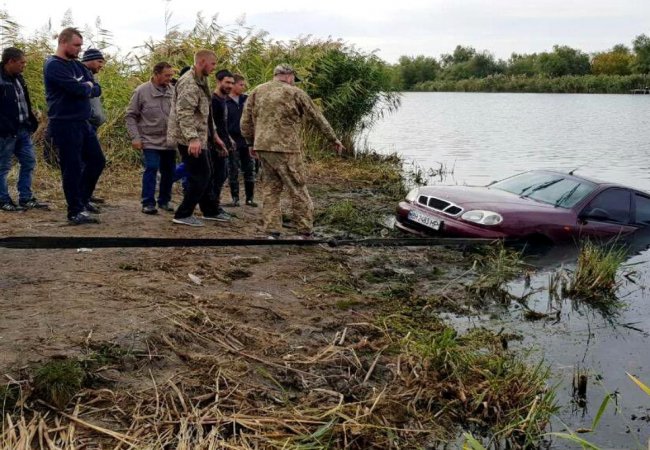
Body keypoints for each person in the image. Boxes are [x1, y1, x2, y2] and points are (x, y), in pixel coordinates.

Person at [241, 64, 344, 238]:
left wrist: (250, 143)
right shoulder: (295, 93)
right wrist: (333, 139)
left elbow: (245, 120)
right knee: (297, 188)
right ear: (289, 76)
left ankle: (272, 231)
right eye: (293, 79)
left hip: (263, 148)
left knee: (270, 190)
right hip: (287, 149)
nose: (294, 82)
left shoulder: (257, 91)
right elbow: (317, 117)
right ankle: (304, 230)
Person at [44, 27, 105, 225]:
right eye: (76, 45)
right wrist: (85, 87)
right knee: (72, 167)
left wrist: (86, 87)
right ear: (63, 42)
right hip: (64, 122)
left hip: (83, 122)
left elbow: (96, 89)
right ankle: (75, 211)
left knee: (97, 161)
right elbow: (77, 89)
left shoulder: (77, 66)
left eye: (80, 45)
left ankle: (83, 200)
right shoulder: (53, 65)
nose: (80, 49)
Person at [167, 49, 227, 227]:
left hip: (201, 135)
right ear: (202, 62)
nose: (214, 68)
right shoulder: (189, 83)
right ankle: (183, 214)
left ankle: (210, 210)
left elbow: (204, 112)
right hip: (188, 138)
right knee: (200, 175)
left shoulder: (201, 80)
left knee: (207, 172)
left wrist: (214, 135)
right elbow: (184, 113)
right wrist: (192, 139)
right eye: (213, 64)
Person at [0, 47, 49, 211]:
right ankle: (3, 200)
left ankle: (26, 198)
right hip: (6, 133)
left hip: (23, 130)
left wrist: (31, 122)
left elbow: (24, 102)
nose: (24, 65)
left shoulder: (19, 78)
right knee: (3, 166)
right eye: (22, 62)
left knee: (29, 161)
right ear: (10, 61)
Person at [125, 61, 176, 215]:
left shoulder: (173, 91)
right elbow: (130, 116)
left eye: (171, 75)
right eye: (167, 75)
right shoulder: (141, 91)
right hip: (149, 140)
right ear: (156, 74)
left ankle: (164, 201)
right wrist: (135, 138)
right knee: (152, 167)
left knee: (169, 171)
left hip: (169, 140)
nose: (170, 78)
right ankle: (148, 202)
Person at [80, 48, 107, 206]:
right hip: (84, 125)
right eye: (99, 61)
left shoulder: (91, 76)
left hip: (92, 126)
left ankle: (86, 196)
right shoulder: (81, 75)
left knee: (91, 163)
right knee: (90, 162)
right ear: (89, 60)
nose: (101, 65)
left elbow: (97, 92)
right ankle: (82, 198)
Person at [226, 73, 257, 207]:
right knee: (233, 169)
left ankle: (249, 198)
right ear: (233, 85)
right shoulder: (225, 100)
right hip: (232, 139)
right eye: (241, 85)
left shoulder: (247, 99)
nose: (243, 87)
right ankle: (235, 198)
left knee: (249, 169)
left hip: (246, 139)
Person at [210, 69, 235, 222]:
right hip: (215, 145)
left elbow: (222, 124)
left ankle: (215, 206)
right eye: (227, 82)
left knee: (222, 175)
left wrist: (229, 139)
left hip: (223, 142)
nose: (230, 86)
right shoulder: (213, 100)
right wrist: (218, 142)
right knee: (216, 177)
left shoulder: (223, 100)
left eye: (232, 83)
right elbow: (211, 125)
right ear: (218, 81)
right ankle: (212, 209)